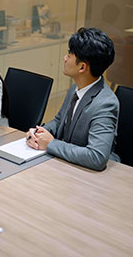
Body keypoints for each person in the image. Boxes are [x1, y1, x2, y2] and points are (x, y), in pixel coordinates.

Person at [26, 27, 120, 171]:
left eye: (69, 54)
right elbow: (59, 121)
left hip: (88, 175)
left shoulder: (105, 103)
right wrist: (39, 133)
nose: (65, 58)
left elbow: (96, 157)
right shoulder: (75, 88)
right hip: (67, 164)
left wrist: (51, 144)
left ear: (82, 67)